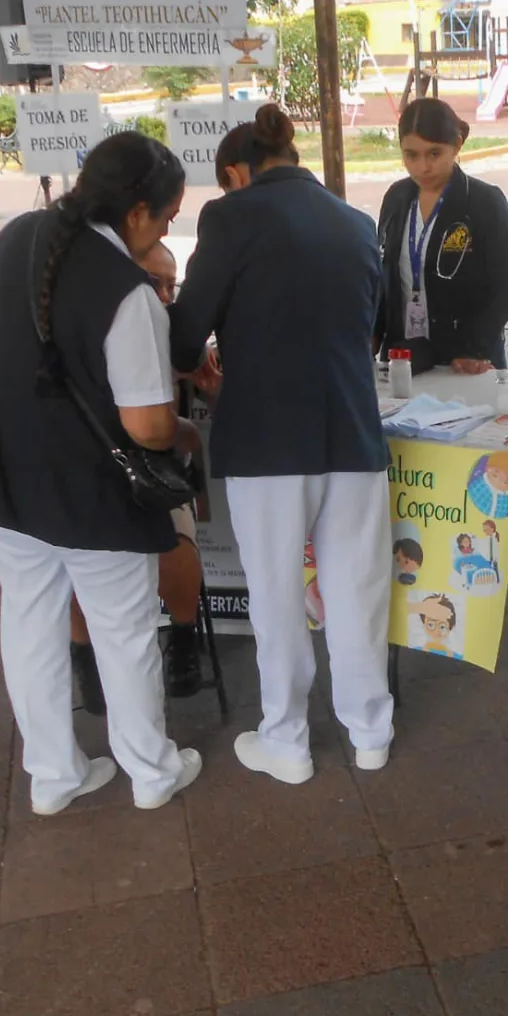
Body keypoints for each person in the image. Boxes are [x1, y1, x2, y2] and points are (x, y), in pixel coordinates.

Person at [0, 132, 203, 815]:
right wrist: (190, 435)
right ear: (137, 215)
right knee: (123, 632)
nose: (168, 229)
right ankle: (151, 773)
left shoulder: (16, 239)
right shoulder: (129, 294)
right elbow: (148, 426)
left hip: (2, 473)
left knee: (29, 620)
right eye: (169, 216)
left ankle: (54, 777)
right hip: (92, 493)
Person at [171, 104, 394, 784]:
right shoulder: (356, 223)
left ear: (236, 173)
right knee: (357, 590)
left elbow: (184, 338)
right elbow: (374, 330)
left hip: (266, 441)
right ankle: (370, 734)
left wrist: (216, 360)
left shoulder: (230, 217)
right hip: (352, 433)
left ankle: (287, 742)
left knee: (274, 594)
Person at [69, 239, 204, 713]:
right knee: (72, 562)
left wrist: (199, 379)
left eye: (172, 285)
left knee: (174, 544)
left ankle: (185, 640)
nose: (165, 295)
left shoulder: (173, 333)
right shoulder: (104, 322)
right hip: (96, 469)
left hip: (153, 478)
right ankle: (85, 656)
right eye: (155, 282)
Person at [376, 98, 508, 375]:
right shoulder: (396, 198)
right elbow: (385, 277)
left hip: (467, 361)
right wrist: (374, 334)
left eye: (434, 153)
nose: (423, 167)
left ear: (457, 146)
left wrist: (476, 349)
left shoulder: (484, 202)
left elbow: (502, 288)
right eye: (411, 155)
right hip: (405, 359)